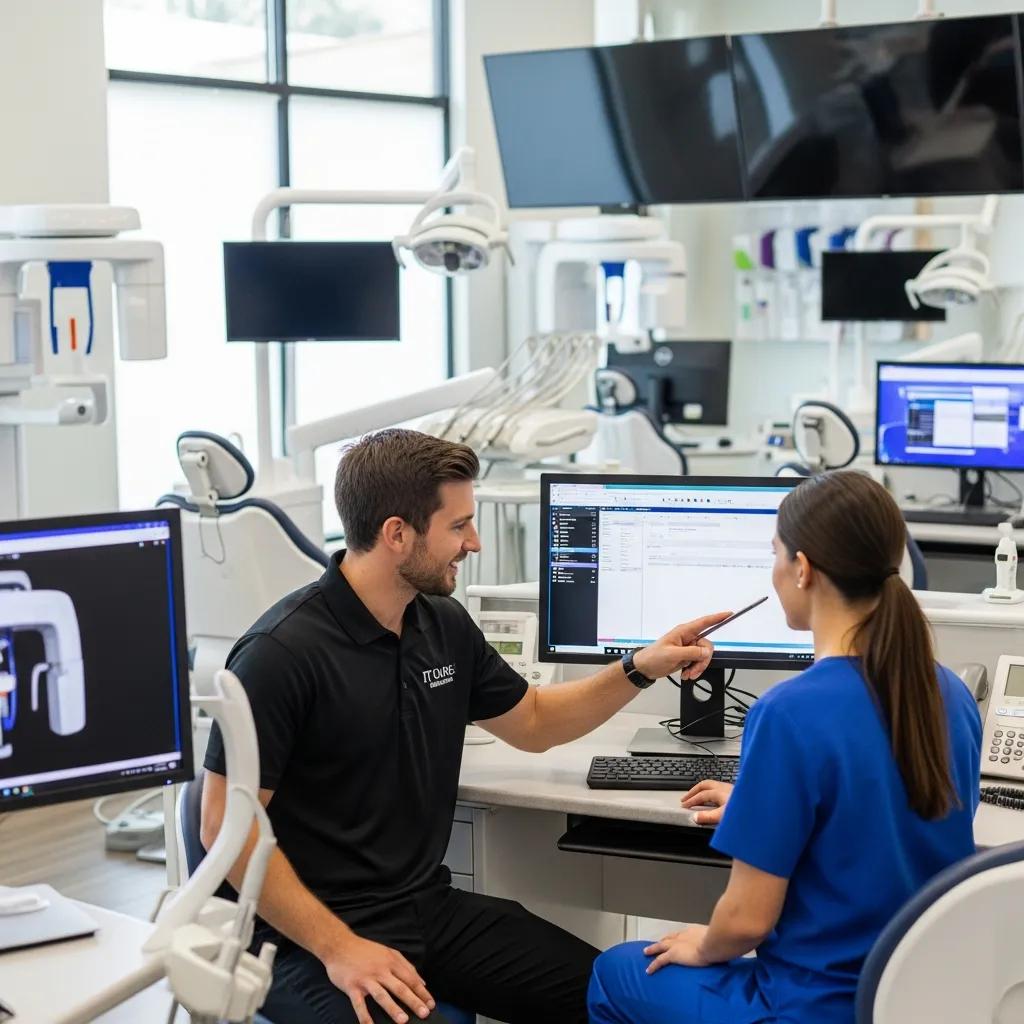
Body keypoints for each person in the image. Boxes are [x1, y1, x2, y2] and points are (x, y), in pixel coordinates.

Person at [200, 428, 729, 1024]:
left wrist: (640, 667)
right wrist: (338, 947)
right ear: (397, 534)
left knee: (610, 998)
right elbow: (225, 827)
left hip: (423, 909)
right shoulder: (281, 653)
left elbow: (532, 721)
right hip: (299, 939)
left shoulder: (441, 625)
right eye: (458, 526)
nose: (474, 542)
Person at [588, 470, 982, 1024]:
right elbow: (885, 810)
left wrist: (702, 944)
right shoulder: (950, 692)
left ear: (802, 568)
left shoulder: (789, 712)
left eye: (775, 553)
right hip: (912, 998)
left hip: (811, 1006)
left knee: (616, 970)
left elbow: (748, 922)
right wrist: (763, 805)